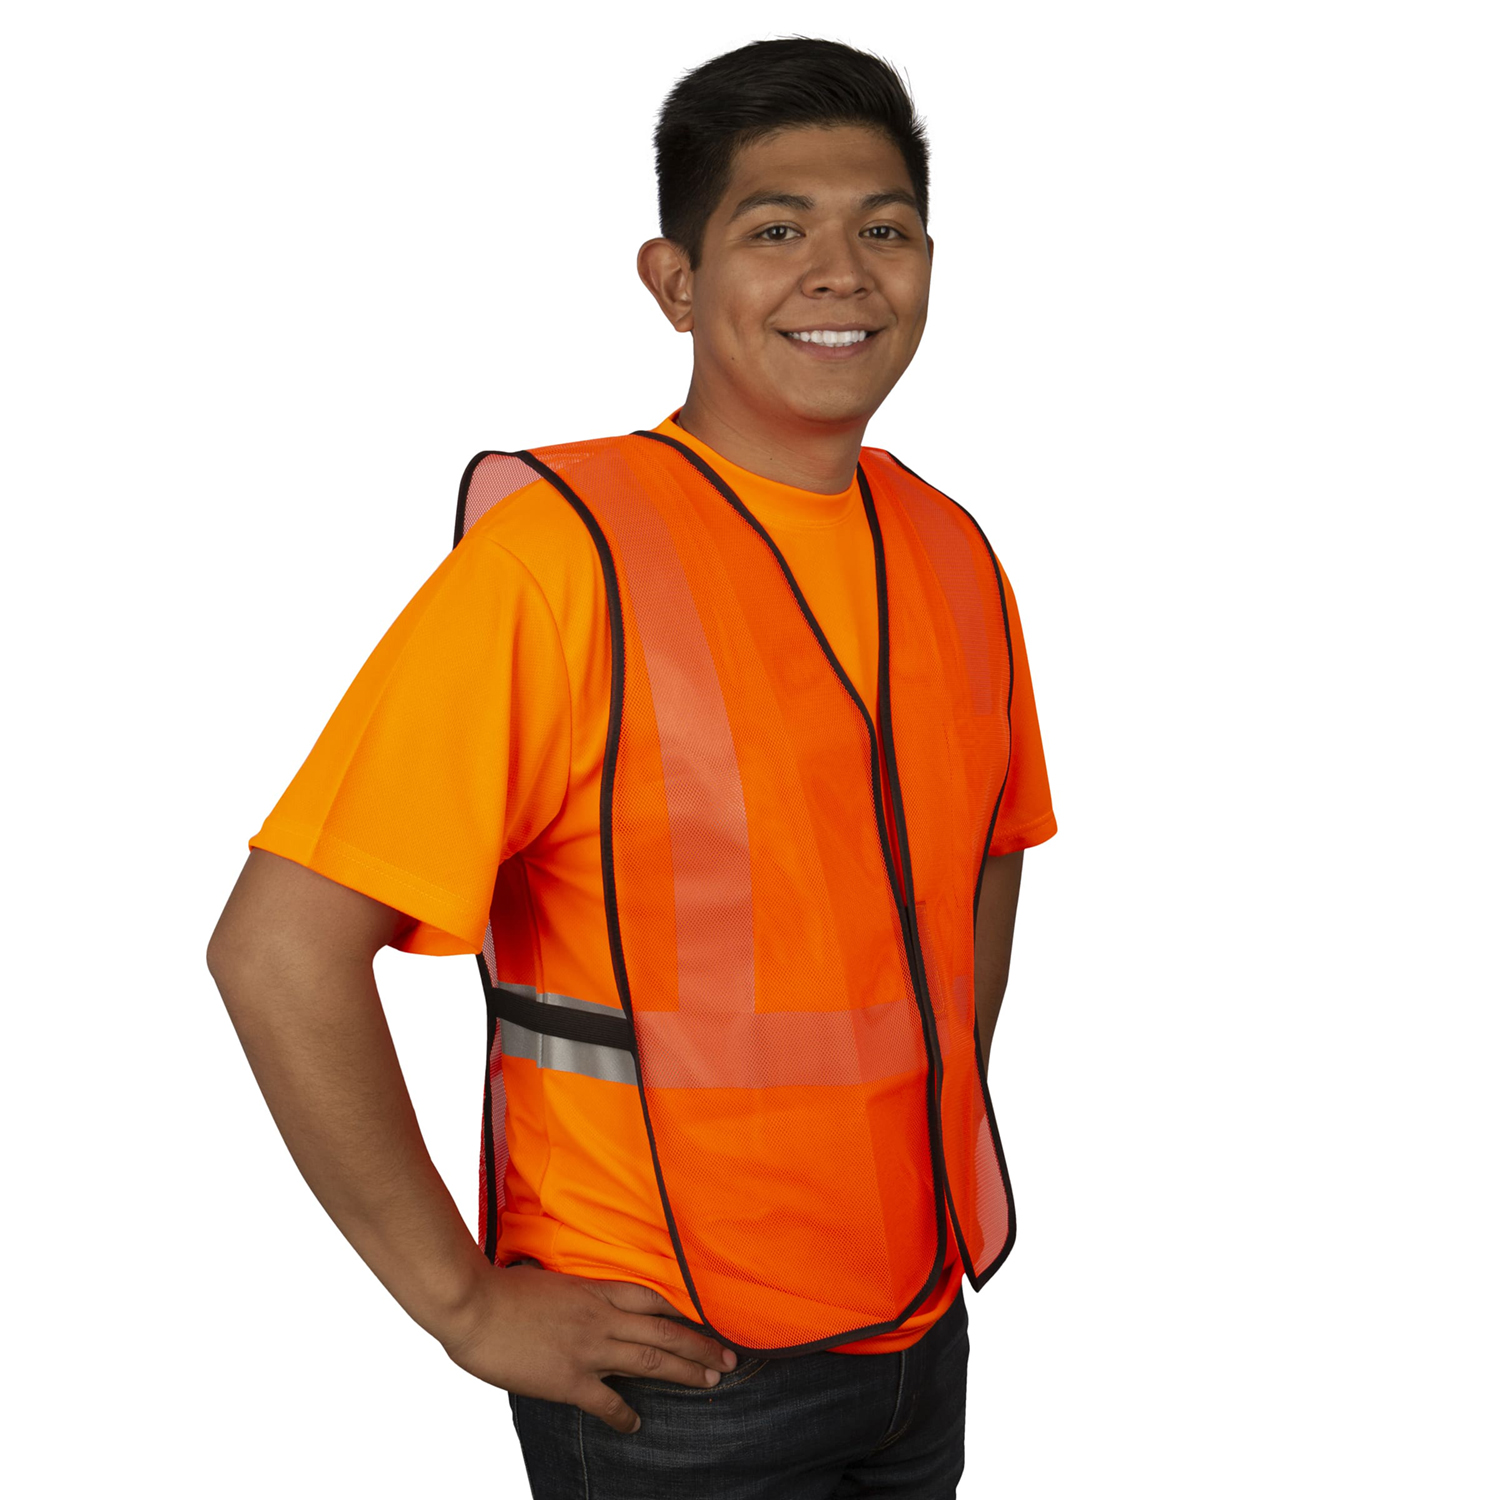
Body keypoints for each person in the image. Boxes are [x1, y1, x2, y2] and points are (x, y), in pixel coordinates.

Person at [207, 35, 1056, 1500]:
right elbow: (277, 951)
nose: (841, 272)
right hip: (670, 1367)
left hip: (919, 1326)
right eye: (776, 229)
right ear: (674, 281)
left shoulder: (953, 551)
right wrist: (461, 1304)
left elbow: (985, 852)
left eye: (886, 230)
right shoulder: (561, 561)